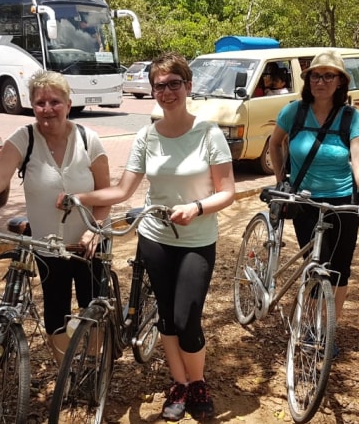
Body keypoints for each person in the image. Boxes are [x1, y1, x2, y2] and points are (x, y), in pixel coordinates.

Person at [57, 51, 235, 422]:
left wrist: (197, 208)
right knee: (167, 317)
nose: (167, 91)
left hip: (196, 239)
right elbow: (123, 190)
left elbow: (227, 191)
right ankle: (180, 383)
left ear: (188, 86)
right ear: (152, 90)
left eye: (174, 84)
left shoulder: (208, 132)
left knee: (188, 317)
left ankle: (198, 381)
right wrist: (80, 198)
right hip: (154, 235)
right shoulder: (147, 135)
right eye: (160, 85)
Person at [0, 70, 111, 363]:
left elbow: (105, 193)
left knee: (93, 312)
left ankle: (92, 369)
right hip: (47, 246)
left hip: (88, 244)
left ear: (68, 103)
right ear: (31, 104)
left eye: (55, 101)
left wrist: (96, 229)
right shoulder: (24, 138)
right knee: (56, 318)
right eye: (40, 103)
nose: (47, 109)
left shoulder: (89, 140)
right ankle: (67, 373)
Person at [267, 50, 359, 341]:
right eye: (316, 75)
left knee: (340, 268)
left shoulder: (350, 117)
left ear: (340, 82)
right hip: (305, 201)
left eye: (329, 76)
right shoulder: (293, 111)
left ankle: (327, 327)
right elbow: (275, 145)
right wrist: (283, 181)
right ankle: (309, 325)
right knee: (315, 263)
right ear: (308, 81)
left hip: (343, 200)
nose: (321, 81)